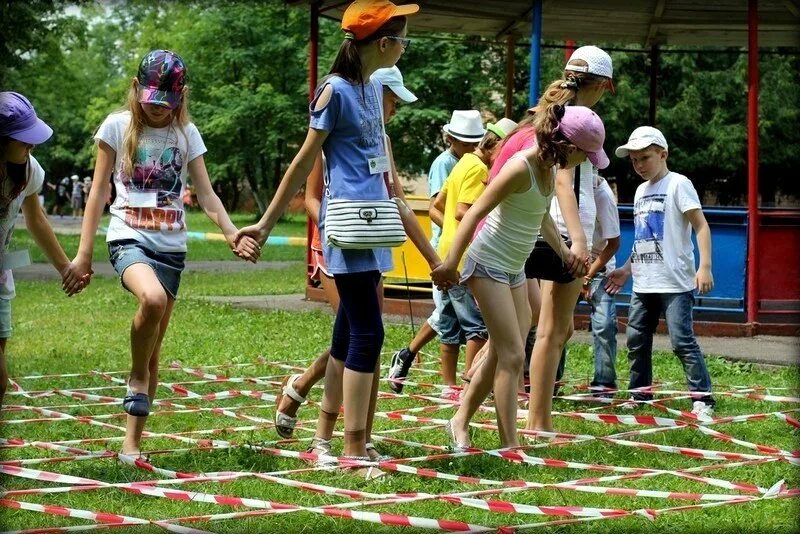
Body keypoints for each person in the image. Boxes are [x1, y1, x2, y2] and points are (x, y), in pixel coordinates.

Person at [236, 1, 439, 479]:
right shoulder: (335, 92)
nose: (405, 46)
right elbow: (303, 162)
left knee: (349, 334)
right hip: (347, 226)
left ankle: (338, 440)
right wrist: (264, 225)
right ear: (384, 43)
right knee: (369, 332)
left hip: (376, 226)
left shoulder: (371, 89)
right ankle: (352, 449)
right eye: (403, 38)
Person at [71, 50, 260, 456]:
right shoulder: (117, 126)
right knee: (151, 300)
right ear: (136, 89)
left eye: (167, 103)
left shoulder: (187, 133)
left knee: (155, 350)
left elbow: (207, 194)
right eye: (151, 100)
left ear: (181, 97)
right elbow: (99, 192)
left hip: (171, 248)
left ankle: (131, 445)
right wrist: (84, 255)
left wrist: (231, 233)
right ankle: (135, 376)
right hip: (128, 236)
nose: (158, 110)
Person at [432, 105, 606, 449]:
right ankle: (510, 446)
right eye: (586, 155)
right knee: (513, 354)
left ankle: (459, 420)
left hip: (513, 268)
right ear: (569, 147)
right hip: (486, 265)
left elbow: (541, 218)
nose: (586, 162)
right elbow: (473, 213)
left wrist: (566, 252)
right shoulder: (520, 167)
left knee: (502, 349)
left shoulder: (549, 170)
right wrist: (451, 264)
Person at [275, 66, 420, 467]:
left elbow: (393, 195)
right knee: (361, 337)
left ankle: (355, 434)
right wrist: (337, 227)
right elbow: (311, 198)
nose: (393, 109)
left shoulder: (380, 140)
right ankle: (329, 434)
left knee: (356, 338)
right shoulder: (334, 136)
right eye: (392, 100)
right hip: (337, 244)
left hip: (372, 242)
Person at [525, 46, 614, 434]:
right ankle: (537, 421)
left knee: (546, 329)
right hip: (560, 234)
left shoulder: (554, 112)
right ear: (601, 85)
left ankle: (521, 409)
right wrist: (578, 242)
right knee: (550, 330)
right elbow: (563, 179)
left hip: (553, 230)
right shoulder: (577, 120)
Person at [605, 126, 716, 420]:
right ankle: (640, 394)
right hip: (644, 282)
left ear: (663, 154)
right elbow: (644, 238)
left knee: (682, 341)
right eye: (634, 160)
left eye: (645, 158)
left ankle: (703, 398)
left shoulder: (679, 184)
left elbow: (701, 225)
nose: (639, 165)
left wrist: (704, 266)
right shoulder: (641, 190)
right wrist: (627, 269)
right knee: (635, 339)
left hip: (675, 282)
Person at [386, 110, 485, 392]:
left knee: (446, 317)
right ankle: (453, 381)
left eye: (474, 142)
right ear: (451, 139)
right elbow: (436, 208)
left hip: (462, 249)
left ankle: (409, 356)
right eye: (466, 143)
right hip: (447, 250)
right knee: (458, 319)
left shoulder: (470, 162)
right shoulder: (445, 163)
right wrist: (460, 232)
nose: (471, 147)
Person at [0, 91, 86, 405]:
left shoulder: (28, 169)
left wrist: (65, 267)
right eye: (23, 140)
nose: (31, 145)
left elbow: (36, 219)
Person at [426, 116, 518, 397]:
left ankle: (447, 385)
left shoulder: (463, 161)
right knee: (476, 327)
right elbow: (463, 211)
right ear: (496, 146)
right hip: (464, 257)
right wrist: (494, 223)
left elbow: (438, 206)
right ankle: (470, 385)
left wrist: (451, 232)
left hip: (446, 250)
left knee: (448, 323)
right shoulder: (478, 169)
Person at [583, 175, 620, 394]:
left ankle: (604, 384)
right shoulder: (562, 185)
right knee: (554, 327)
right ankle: (550, 382)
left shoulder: (602, 195)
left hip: (599, 267)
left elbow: (614, 243)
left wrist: (588, 275)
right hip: (569, 263)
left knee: (605, 325)